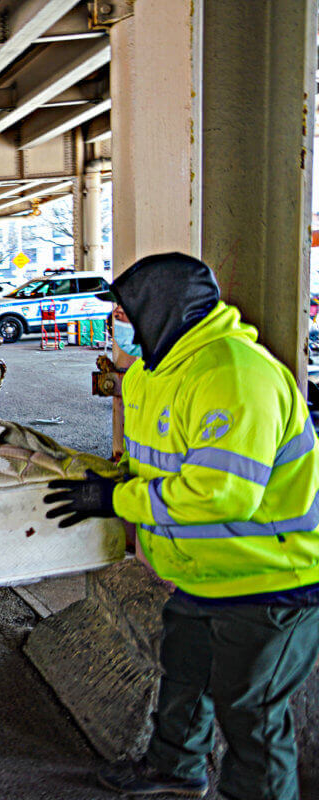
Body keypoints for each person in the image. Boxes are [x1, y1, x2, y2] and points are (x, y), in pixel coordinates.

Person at [43, 253, 319, 800]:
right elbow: (156, 466)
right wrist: (109, 480)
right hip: (199, 576)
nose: (116, 322)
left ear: (161, 309)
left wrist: (114, 499)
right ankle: (174, 770)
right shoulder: (152, 372)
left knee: (251, 715)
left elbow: (220, 495)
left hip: (269, 583)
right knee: (185, 680)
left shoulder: (235, 375)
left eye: (123, 311)